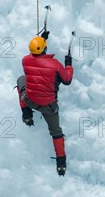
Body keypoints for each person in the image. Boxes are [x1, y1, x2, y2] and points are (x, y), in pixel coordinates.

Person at [16, 30, 73, 176]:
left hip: (30, 100)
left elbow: (34, 56)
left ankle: (27, 114)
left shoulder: (25, 60)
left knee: (21, 80)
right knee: (56, 132)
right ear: (44, 49)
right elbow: (67, 80)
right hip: (49, 107)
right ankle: (61, 164)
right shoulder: (55, 65)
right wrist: (68, 64)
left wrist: (42, 39)